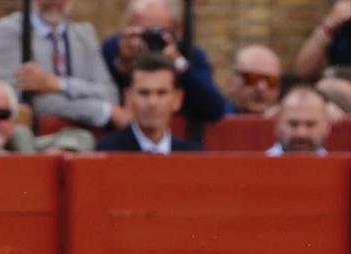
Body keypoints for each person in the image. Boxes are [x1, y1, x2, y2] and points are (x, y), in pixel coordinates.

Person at [0, 0, 127, 130]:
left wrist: (58, 84)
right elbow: (16, 100)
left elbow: (109, 94)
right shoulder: (8, 31)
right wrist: (103, 111)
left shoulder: (85, 33)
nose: (54, 1)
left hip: (86, 135)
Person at [101, 0, 230, 122]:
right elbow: (101, 96)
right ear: (129, 27)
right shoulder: (115, 48)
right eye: (146, 33)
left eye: (160, 32)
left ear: (176, 31)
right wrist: (122, 63)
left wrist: (179, 64)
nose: (152, 40)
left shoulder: (189, 53)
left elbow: (215, 108)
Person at [96, 52, 200, 153]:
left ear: (177, 99)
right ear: (128, 98)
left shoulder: (194, 156)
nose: (152, 103)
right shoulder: (107, 152)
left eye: (161, 93)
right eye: (143, 93)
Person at [268, 84, 331, 155]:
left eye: (310, 124)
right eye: (293, 124)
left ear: (327, 127)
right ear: (277, 125)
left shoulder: (339, 166)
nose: (301, 133)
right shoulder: (255, 165)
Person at [227, 44, 282, 114]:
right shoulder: (213, 119)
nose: (262, 87)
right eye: (252, 78)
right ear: (230, 82)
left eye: (271, 80)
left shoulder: (290, 120)